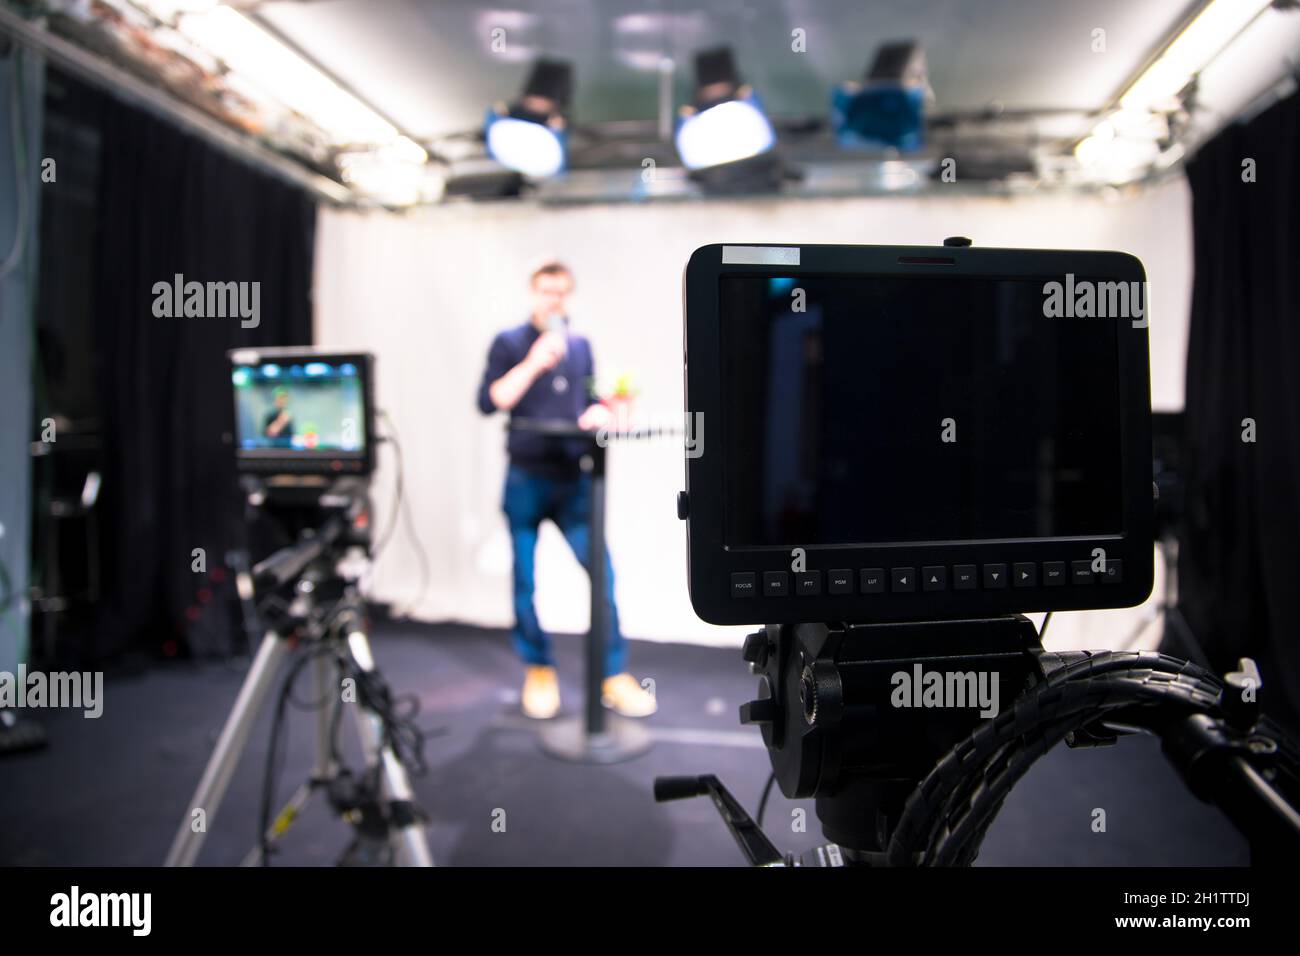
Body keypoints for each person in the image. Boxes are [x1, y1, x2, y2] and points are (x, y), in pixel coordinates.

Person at [476, 261, 656, 720]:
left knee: (603, 574)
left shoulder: (580, 347)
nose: (553, 300)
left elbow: (588, 402)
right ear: (533, 293)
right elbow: (491, 400)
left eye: (560, 293)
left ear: (568, 297)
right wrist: (534, 362)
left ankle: (612, 673)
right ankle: (539, 668)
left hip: (573, 479)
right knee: (525, 579)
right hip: (525, 479)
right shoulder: (510, 343)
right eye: (545, 292)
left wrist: (604, 409)